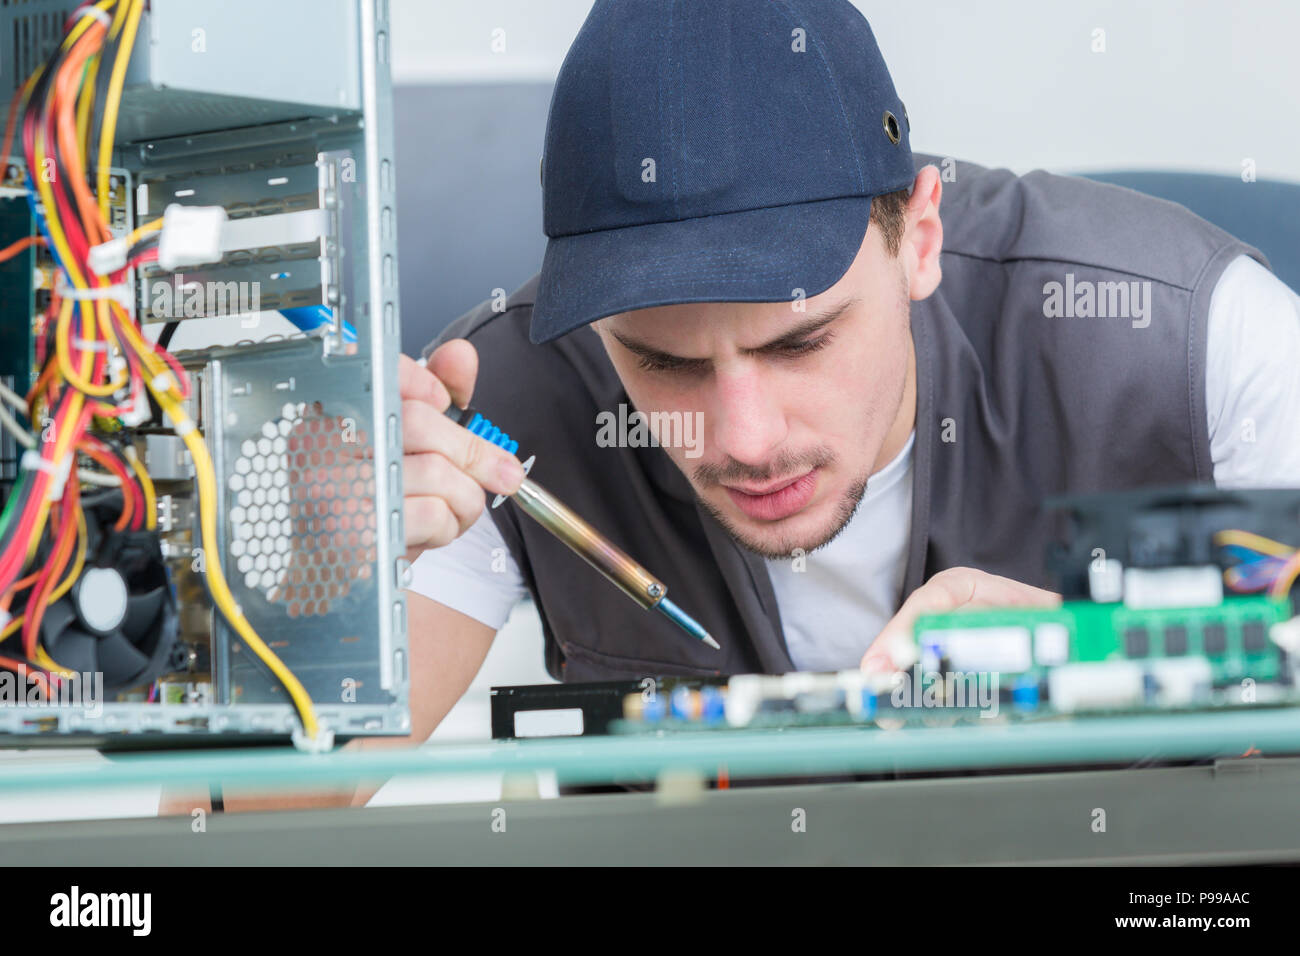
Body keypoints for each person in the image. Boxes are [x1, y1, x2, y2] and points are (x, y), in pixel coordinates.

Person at [392, 0, 1300, 746]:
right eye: (663, 362)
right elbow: (299, 802)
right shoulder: (490, 402)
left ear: (922, 238)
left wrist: (1103, 659)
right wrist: (309, 576)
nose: (744, 441)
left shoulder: (1195, 335)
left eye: (800, 343)